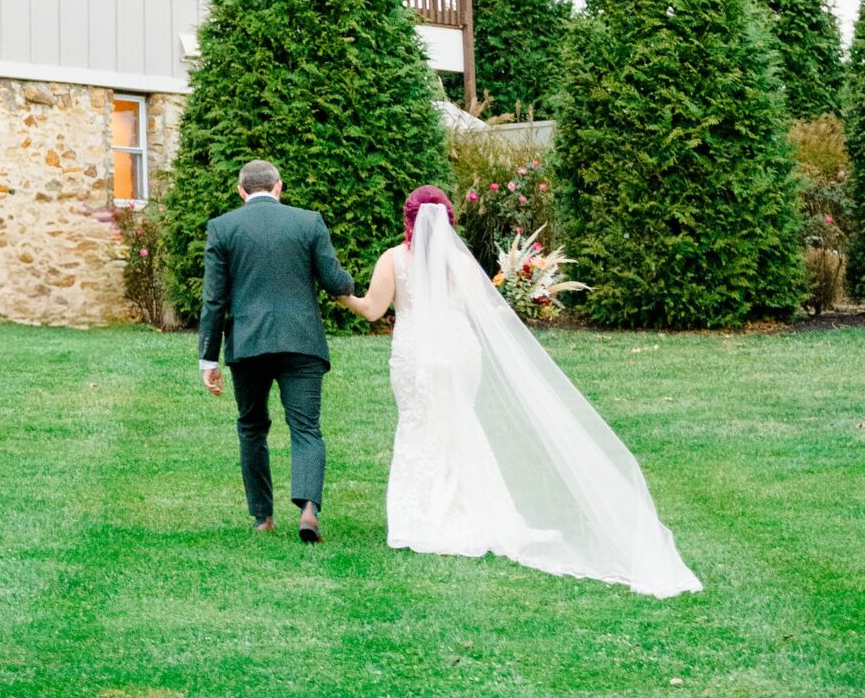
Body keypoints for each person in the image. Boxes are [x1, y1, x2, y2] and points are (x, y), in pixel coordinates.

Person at [344, 187, 701, 597]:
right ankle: (473, 510)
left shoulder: (393, 259)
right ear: (449, 220)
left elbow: (373, 309)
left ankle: (426, 515)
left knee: (419, 425)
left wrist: (342, 295)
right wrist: (520, 301)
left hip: (418, 354)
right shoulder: (458, 261)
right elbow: (484, 311)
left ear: (408, 219)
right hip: (461, 351)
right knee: (461, 423)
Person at [197, 159, 359, 540]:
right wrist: (351, 282)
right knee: (305, 427)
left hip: (249, 343)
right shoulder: (308, 222)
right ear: (278, 187)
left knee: (252, 427)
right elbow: (336, 281)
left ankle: (262, 517)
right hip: (301, 342)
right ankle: (307, 509)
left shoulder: (222, 228)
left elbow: (213, 301)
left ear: (241, 191)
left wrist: (209, 358)